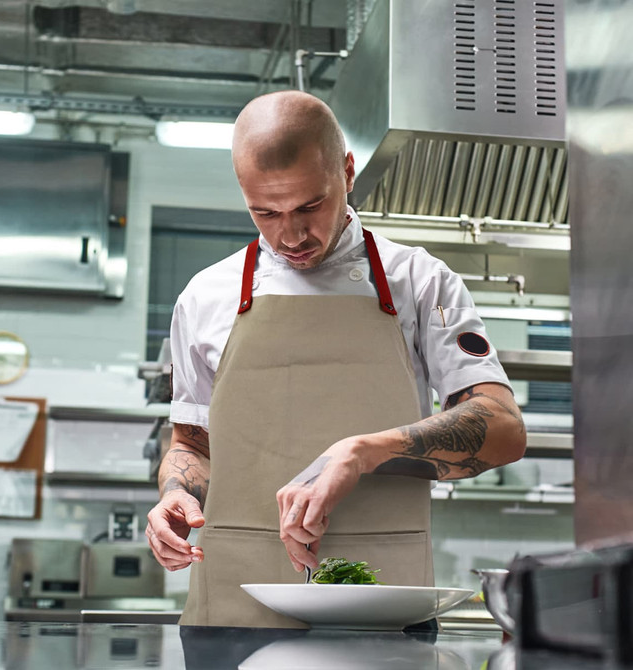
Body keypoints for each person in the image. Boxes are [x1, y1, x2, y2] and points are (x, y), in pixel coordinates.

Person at [145, 90, 526, 628]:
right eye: (265, 212)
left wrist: (364, 452)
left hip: (383, 599)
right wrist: (175, 496)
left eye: (309, 206)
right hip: (234, 604)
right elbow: (192, 443)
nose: (291, 235)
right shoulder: (205, 296)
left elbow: (504, 429)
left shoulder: (419, 282)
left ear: (347, 172)